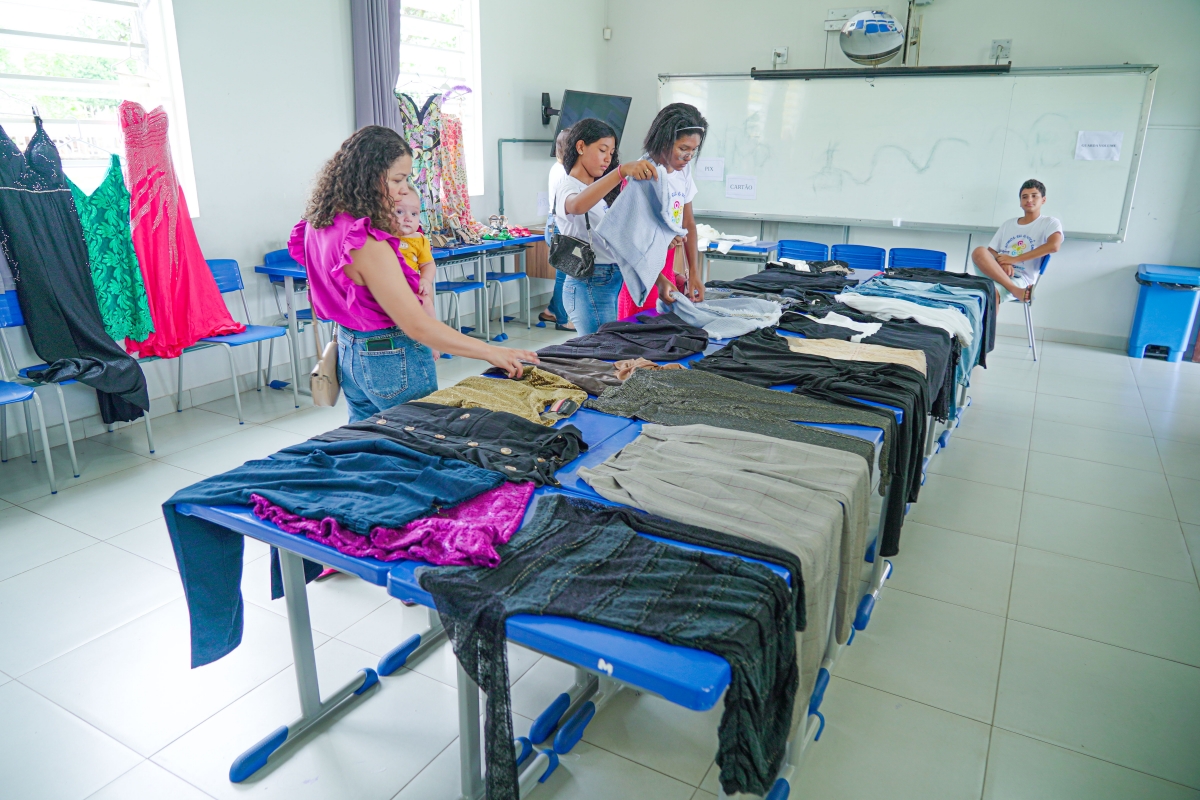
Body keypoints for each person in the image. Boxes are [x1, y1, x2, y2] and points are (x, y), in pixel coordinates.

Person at [289, 125, 537, 423]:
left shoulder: (319, 223)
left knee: (367, 439)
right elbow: (418, 326)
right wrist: (489, 351)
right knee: (417, 438)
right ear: (367, 176)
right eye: (397, 179)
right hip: (389, 356)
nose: (404, 189)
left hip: (349, 351)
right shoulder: (365, 242)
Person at [554, 118, 662, 334]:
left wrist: (659, 278)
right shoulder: (568, 186)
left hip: (610, 279)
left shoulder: (597, 190)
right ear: (580, 147)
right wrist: (620, 172)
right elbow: (576, 205)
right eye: (602, 150)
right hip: (589, 283)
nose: (607, 159)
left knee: (606, 346)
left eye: (611, 153)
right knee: (601, 348)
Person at [616, 103, 708, 318]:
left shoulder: (682, 172)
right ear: (664, 141)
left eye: (693, 150)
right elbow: (630, 242)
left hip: (666, 272)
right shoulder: (642, 174)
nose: (688, 157)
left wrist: (694, 273)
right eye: (683, 148)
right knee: (641, 332)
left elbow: (688, 223)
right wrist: (658, 279)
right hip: (644, 277)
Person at [971, 179, 1063, 302]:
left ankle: (1015, 289)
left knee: (991, 291)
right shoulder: (1008, 224)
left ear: (1043, 200)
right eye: (1024, 197)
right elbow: (991, 251)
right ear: (1020, 202)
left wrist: (1014, 259)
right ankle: (1014, 290)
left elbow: (1054, 246)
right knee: (979, 251)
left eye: (1034, 196)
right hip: (998, 271)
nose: (1029, 200)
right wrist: (1003, 262)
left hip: (1021, 279)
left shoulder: (1050, 222)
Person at [394, 187, 441, 356]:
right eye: (399, 212)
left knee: (426, 302)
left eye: (414, 214)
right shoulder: (383, 237)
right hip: (390, 287)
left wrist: (425, 280)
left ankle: (433, 342)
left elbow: (428, 264)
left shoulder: (419, 240)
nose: (408, 218)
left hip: (412, 286)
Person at [539, 130, 574, 330]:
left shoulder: (559, 167)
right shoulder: (563, 171)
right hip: (559, 225)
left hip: (556, 224)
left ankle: (552, 310)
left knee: (565, 273)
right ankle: (562, 320)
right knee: (564, 275)